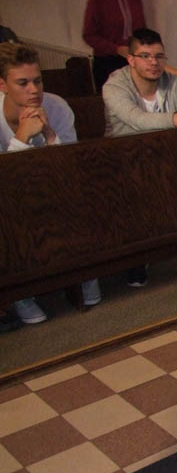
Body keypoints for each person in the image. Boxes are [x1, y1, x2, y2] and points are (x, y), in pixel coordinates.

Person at [104, 27, 177, 287]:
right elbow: (136, 119)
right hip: (124, 159)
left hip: (167, 157)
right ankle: (137, 259)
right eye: (145, 56)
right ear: (131, 59)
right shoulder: (114, 85)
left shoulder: (172, 81)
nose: (153, 63)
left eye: (159, 56)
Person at [0, 42, 99, 322]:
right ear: (3, 85)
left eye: (38, 80)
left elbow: (69, 166)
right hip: (9, 197)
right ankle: (21, 293)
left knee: (83, 194)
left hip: (53, 185)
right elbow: (5, 182)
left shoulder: (56, 106)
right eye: (23, 83)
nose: (34, 90)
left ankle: (84, 274)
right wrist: (21, 138)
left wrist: (50, 135)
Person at [82, 0, 146, 93]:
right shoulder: (98, 0)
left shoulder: (135, 0)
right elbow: (89, 35)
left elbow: (142, 31)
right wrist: (116, 49)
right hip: (107, 62)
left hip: (132, 60)